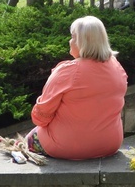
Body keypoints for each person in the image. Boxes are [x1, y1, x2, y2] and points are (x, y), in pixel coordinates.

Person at [27, 16, 127, 159]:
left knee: (30, 139)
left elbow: (40, 118)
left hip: (68, 146)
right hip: (110, 144)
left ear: (83, 42)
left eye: (73, 37)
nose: (70, 41)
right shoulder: (117, 67)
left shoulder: (67, 71)